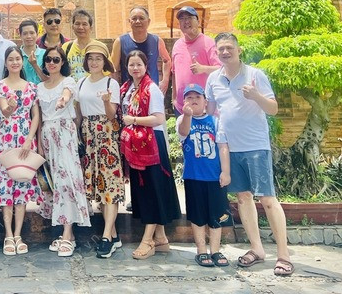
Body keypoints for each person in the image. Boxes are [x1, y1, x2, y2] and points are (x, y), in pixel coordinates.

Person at [205, 32, 293, 277]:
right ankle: (257, 249)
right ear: (216, 52)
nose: (225, 52)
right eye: (221, 49)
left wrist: (255, 95)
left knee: (267, 199)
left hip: (256, 146)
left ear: (239, 49)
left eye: (229, 48)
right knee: (243, 198)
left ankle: (283, 255)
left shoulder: (255, 75)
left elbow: (273, 109)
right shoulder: (213, 79)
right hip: (230, 148)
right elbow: (211, 111)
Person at [120, 49, 181, 259]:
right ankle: (161, 238)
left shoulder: (151, 89)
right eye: (131, 64)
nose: (135, 68)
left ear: (146, 66)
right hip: (137, 145)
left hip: (152, 144)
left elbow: (158, 118)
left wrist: (134, 120)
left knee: (152, 190)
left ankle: (147, 241)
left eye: (139, 64)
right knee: (146, 190)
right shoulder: (128, 88)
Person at [0, 46, 42, 255]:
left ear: (21, 61)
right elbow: (5, 113)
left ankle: (18, 234)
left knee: (22, 185)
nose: (15, 62)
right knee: (6, 186)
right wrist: (10, 106)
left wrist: (30, 139)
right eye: (11, 59)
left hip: (25, 139)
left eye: (18, 59)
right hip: (6, 139)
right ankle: (8, 234)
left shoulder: (32, 87)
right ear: (6, 63)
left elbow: (36, 115)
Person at [37, 44, 91, 258]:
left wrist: (63, 100)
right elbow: (39, 117)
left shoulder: (68, 82)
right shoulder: (39, 87)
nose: (52, 63)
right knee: (54, 184)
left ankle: (68, 234)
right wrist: (39, 144)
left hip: (65, 134)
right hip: (47, 135)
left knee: (67, 180)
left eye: (56, 59)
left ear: (63, 63)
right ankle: (65, 233)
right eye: (48, 59)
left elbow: (67, 95)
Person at [74, 40, 124, 258]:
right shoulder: (81, 83)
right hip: (88, 135)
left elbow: (112, 115)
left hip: (106, 135)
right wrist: (76, 135)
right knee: (98, 185)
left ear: (105, 62)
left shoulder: (111, 83)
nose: (94, 62)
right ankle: (113, 234)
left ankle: (106, 238)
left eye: (98, 58)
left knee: (110, 184)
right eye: (91, 58)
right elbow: (78, 113)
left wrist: (106, 102)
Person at [176, 83, 231, 268]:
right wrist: (187, 115)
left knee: (216, 215)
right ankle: (201, 250)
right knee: (197, 216)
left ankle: (215, 250)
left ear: (205, 101)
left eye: (197, 97)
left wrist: (226, 172)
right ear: (183, 102)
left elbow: (223, 147)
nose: (193, 100)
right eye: (189, 97)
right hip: (194, 176)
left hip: (214, 177)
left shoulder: (215, 121)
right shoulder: (182, 119)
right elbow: (183, 132)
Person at [110, 6, 171, 94]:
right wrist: (116, 90)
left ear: (148, 21)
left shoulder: (156, 41)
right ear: (129, 21)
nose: (138, 21)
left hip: (151, 92)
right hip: (129, 93)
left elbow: (167, 60)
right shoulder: (120, 42)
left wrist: (165, 81)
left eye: (141, 18)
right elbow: (113, 69)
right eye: (134, 18)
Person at [171, 7, 219, 115]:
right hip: (181, 108)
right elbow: (174, 73)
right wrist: (174, 99)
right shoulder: (177, 45)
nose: (186, 21)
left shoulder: (208, 43)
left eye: (189, 18)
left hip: (203, 109)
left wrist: (203, 68)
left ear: (198, 21)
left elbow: (221, 70)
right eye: (182, 19)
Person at [62, 9, 94, 80]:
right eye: (77, 24)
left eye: (84, 24)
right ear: (72, 27)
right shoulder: (66, 47)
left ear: (91, 28)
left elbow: (107, 73)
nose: (80, 27)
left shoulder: (98, 47)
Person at [17, 19, 46, 85]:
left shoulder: (45, 54)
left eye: (32, 33)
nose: (29, 36)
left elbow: (49, 80)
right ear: (20, 36)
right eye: (25, 33)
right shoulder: (16, 55)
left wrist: (35, 65)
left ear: (37, 34)